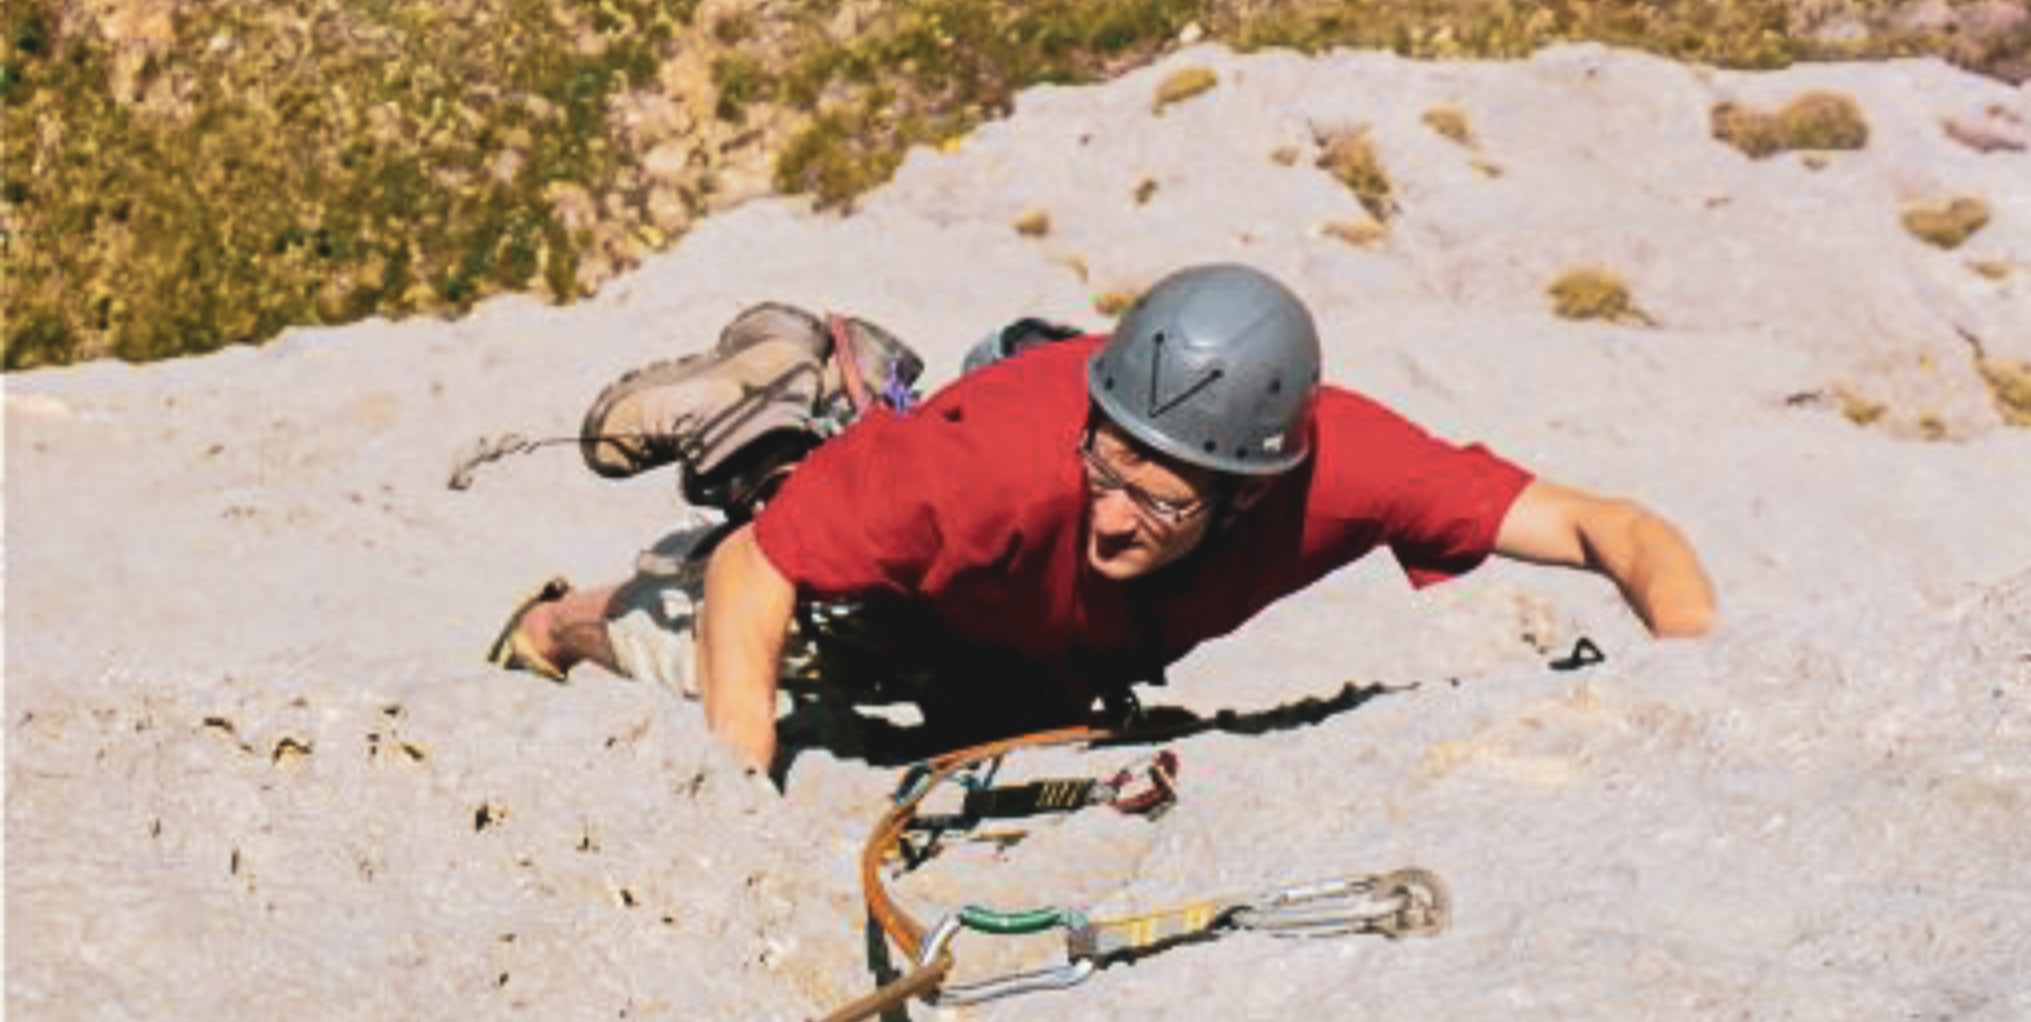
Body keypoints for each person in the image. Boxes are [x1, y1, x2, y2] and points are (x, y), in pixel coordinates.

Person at [490, 263, 1715, 776]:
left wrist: (1710, 682)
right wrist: (734, 781)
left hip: (1049, 641)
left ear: (1250, 486)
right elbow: (763, 574)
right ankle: (571, 612)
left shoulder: (1351, 462)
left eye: (1162, 497)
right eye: (1108, 464)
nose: (1115, 512)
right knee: (732, 636)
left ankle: (821, 409)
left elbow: (1615, 529)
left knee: (1015, 724)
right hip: (912, 576)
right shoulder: (998, 463)